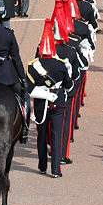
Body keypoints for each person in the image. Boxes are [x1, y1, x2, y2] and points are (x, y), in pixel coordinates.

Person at [27, 24, 73, 178]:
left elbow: (29, 87)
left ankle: (42, 165)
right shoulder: (60, 65)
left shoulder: (33, 66)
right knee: (56, 135)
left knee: (41, 135)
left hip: (41, 102)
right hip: (58, 101)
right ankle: (56, 170)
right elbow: (68, 85)